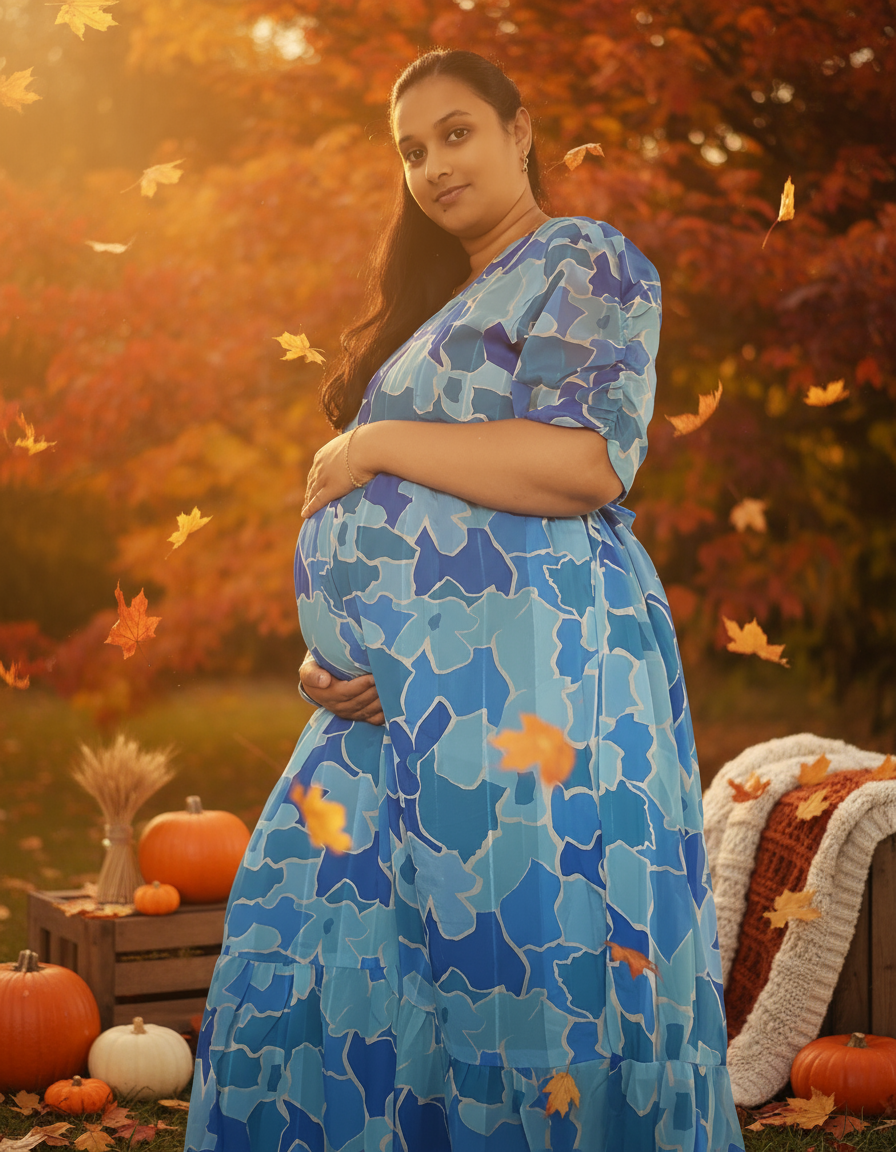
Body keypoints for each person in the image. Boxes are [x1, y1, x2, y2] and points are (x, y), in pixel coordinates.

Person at [185, 48, 745, 1152]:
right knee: (345, 932)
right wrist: (333, 656)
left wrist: (373, 440)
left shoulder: (582, 258)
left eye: (455, 133)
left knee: (523, 940)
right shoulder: (437, 303)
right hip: (401, 702)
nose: (432, 165)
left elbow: (585, 464)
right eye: (409, 150)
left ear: (519, 130)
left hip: (536, 674)